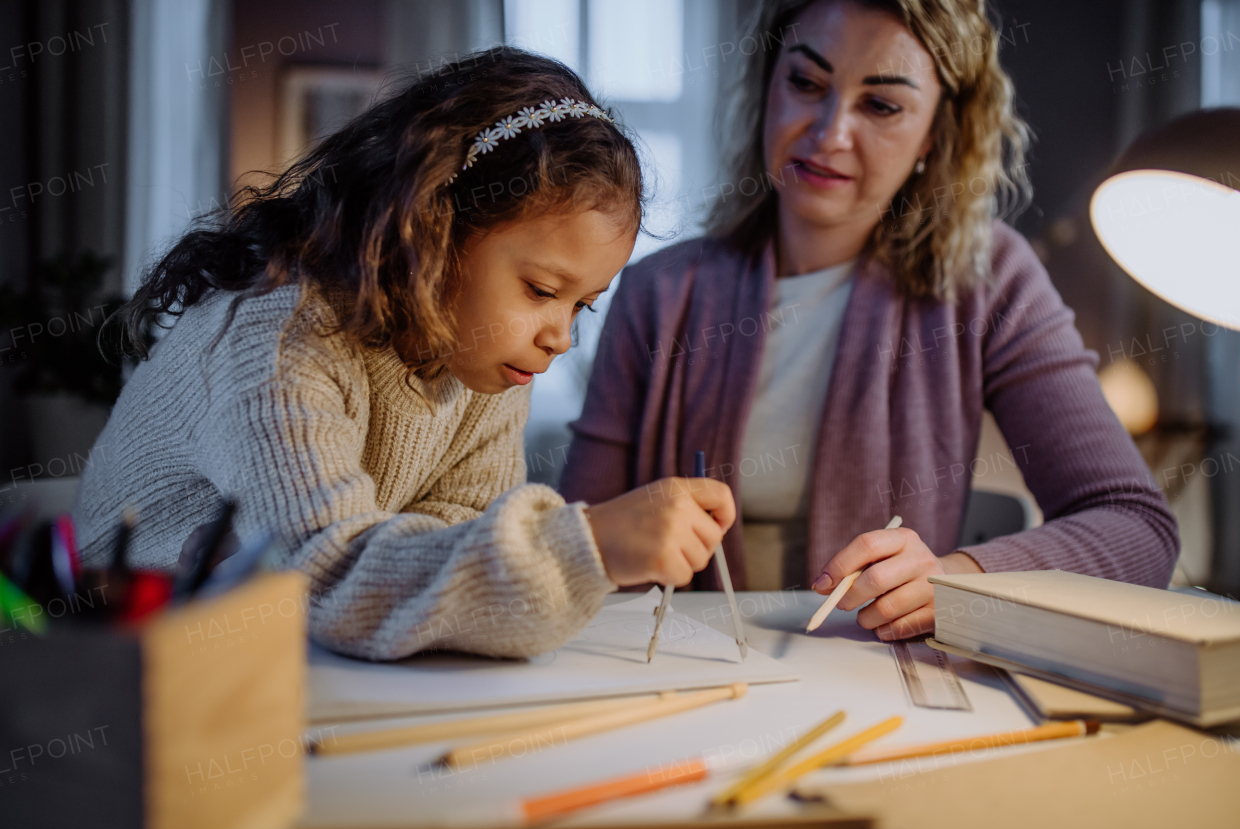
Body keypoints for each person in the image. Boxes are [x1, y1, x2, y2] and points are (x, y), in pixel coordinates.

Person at [72, 48, 735, 661]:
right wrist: (586, 545)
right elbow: (331, 575)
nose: (560, 335)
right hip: (116, 661)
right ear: (432, 228)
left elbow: (451, 542)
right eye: (541, 289)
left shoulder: (488, 360)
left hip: (281, 656)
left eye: (582, 305)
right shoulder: (276, 340)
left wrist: (439, 575)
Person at [559, 0, 1179, 641]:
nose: (828, 134)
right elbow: (580, 546)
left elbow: (1137, 527)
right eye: (806, 83)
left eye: (881, 106)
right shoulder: (658, 292)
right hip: (694, 680)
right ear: (769, 85)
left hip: (884, 686)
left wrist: (958, 578)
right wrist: (601, 545)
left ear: (936, 133)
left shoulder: (990, 280)